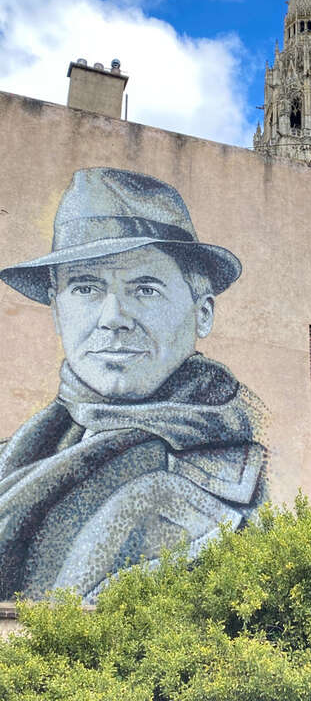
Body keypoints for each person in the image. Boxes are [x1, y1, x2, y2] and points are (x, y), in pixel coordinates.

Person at [0, 168, 268, 602]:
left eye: (145, 289)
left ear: (202, 314)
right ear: (55, 311)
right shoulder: (21, 452)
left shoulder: (234, 477)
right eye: (86, 288)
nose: (112, 318)